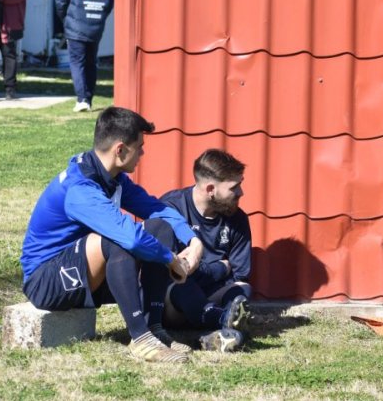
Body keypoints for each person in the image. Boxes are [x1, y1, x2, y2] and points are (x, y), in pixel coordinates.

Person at [20, 107, 206, 363]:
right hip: (46, 281)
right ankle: (140, 338)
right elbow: (128, 238)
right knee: (119, 237)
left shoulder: (112, 177)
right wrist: (170, 259)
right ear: (120, 150)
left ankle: (154, 329)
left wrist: (193, 241)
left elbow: (157, 208)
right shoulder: (80, 188)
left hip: (83, 270)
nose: (142, 153)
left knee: (159, 226)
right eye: (139, 147)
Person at [153, 149, 251, 353]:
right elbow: (171, 271)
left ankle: (219, 328)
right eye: (235, 187)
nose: (241, 192)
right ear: (210, 189)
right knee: (183, 286)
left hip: (211, 294)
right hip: (174, 302)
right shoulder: (171, 209)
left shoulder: (237, 219)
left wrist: (206, 271)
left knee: (243, 290)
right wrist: (220, 269)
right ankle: (223, 320)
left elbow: (240, 273)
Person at [54, 0, 114, 112]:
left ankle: (82, 100)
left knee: (77, 62)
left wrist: (65, 19)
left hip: (75, 26)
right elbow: (109, 2)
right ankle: (88, 98)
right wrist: (100, 18)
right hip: (96, 26)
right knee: (90, 63)